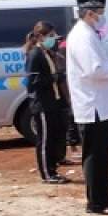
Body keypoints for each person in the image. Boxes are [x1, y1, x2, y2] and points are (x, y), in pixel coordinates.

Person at [66, 0, 108, 215]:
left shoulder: (90, 33)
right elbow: (94, 70)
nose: (102, 18)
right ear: (90, 14)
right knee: (95, 156)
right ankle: (96, 203)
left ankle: (105, 198)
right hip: (93, 107)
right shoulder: (82, 36)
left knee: (104, 156)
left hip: (101, 105)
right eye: (100, 14)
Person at [24, 21, 69, 184]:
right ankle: (47, 174)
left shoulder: (47, 52)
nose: (53, 39)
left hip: (52, 101)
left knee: (54, 137)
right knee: (44, 140)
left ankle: (53, 169)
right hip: (42, 103)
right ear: (40, 37)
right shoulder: (35, 54)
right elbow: (33, 80)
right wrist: (54, 78)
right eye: (50, 36)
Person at [53, 38, 81, 165]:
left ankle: (71, 149)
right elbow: (62, 77)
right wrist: (69, 97)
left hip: (69, 91)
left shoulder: (63, 49)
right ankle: (73, 148)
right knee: (70, 120)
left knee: (71, 121)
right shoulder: (63, 50)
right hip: (65, 92)